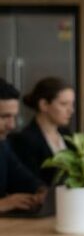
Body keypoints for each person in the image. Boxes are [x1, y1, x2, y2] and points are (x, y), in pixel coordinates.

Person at [10, 77, 74, 184]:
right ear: (44, 105)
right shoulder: (25, 139)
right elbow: (28, 181)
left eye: (72, 104)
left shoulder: (66, 134)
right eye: (64, 104)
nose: (71, 110)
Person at [0, 78, 46, 213]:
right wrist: (2, 203)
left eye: (14, 117)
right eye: (4, 117)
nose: (12, 125)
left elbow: (23, 178)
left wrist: (41, 191)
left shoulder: (2, 146)